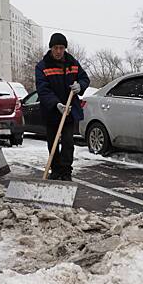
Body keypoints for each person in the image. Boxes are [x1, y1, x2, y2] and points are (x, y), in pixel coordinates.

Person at [35, 33, 90, 181]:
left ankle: (66, 171)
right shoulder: (43, 66)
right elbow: (43, 89)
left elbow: (84, 78)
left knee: (68, 142)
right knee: (52, 143)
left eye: (61, 48)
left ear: (65, 48)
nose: (58, 51)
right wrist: (56, 104)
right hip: (52, 111)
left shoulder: (72, 63)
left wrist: (81, 85)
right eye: (55, 48)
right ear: (51, 48)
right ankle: (56, 170)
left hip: (70, 111)